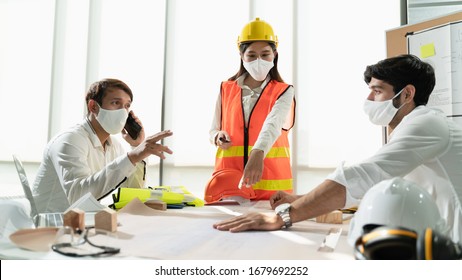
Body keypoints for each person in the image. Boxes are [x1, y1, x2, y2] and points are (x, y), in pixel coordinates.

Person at [213, 54, 462, 244]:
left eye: (377, 91)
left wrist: (282, 216)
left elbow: (365, 175)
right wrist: (301, 200)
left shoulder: (426, 124)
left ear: (406, 94)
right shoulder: (413, 126)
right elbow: (375, 186)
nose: (369, 100)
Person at [33, 78, 173, 212]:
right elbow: (77, 197)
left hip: (83, 223)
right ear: (93, 106)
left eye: (127, 106)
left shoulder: (114, 145)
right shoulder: (70, 140)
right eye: (115, 103)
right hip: (51, 226)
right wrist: (132, 156)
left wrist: (137, 147)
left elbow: (132, 193)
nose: (123, 112)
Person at [207, 18, 296, 201]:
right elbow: (213, 129)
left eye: (265, 55)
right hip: (230, 189)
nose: (259, 61)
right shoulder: (226, 89)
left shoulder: (284, 91)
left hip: (271, 192)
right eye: (252, 55)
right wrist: (217, 137)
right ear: (241, 56)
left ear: (275, 54)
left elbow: (273, 125)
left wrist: (258, 152)